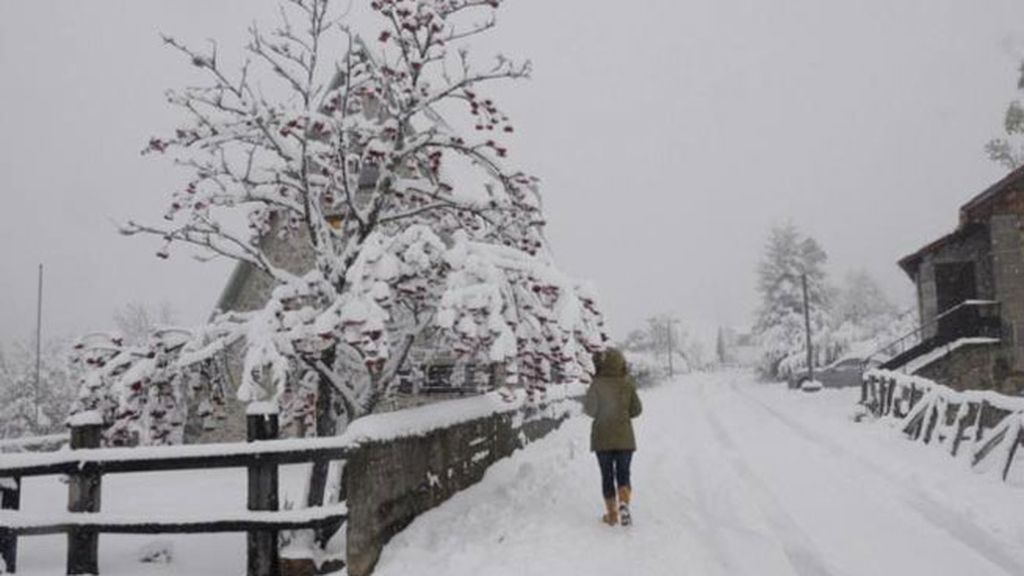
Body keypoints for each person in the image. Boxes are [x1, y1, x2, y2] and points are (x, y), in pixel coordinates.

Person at [583, 347, 643, 526]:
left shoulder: (597, 384)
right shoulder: (627, 383)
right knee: (623, 474)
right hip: (624, 438)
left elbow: (590, 410)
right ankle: (624, 503)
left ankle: (612, 514)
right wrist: (622, 413)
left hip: (602, 439)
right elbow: (637, 409)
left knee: (607, 475)